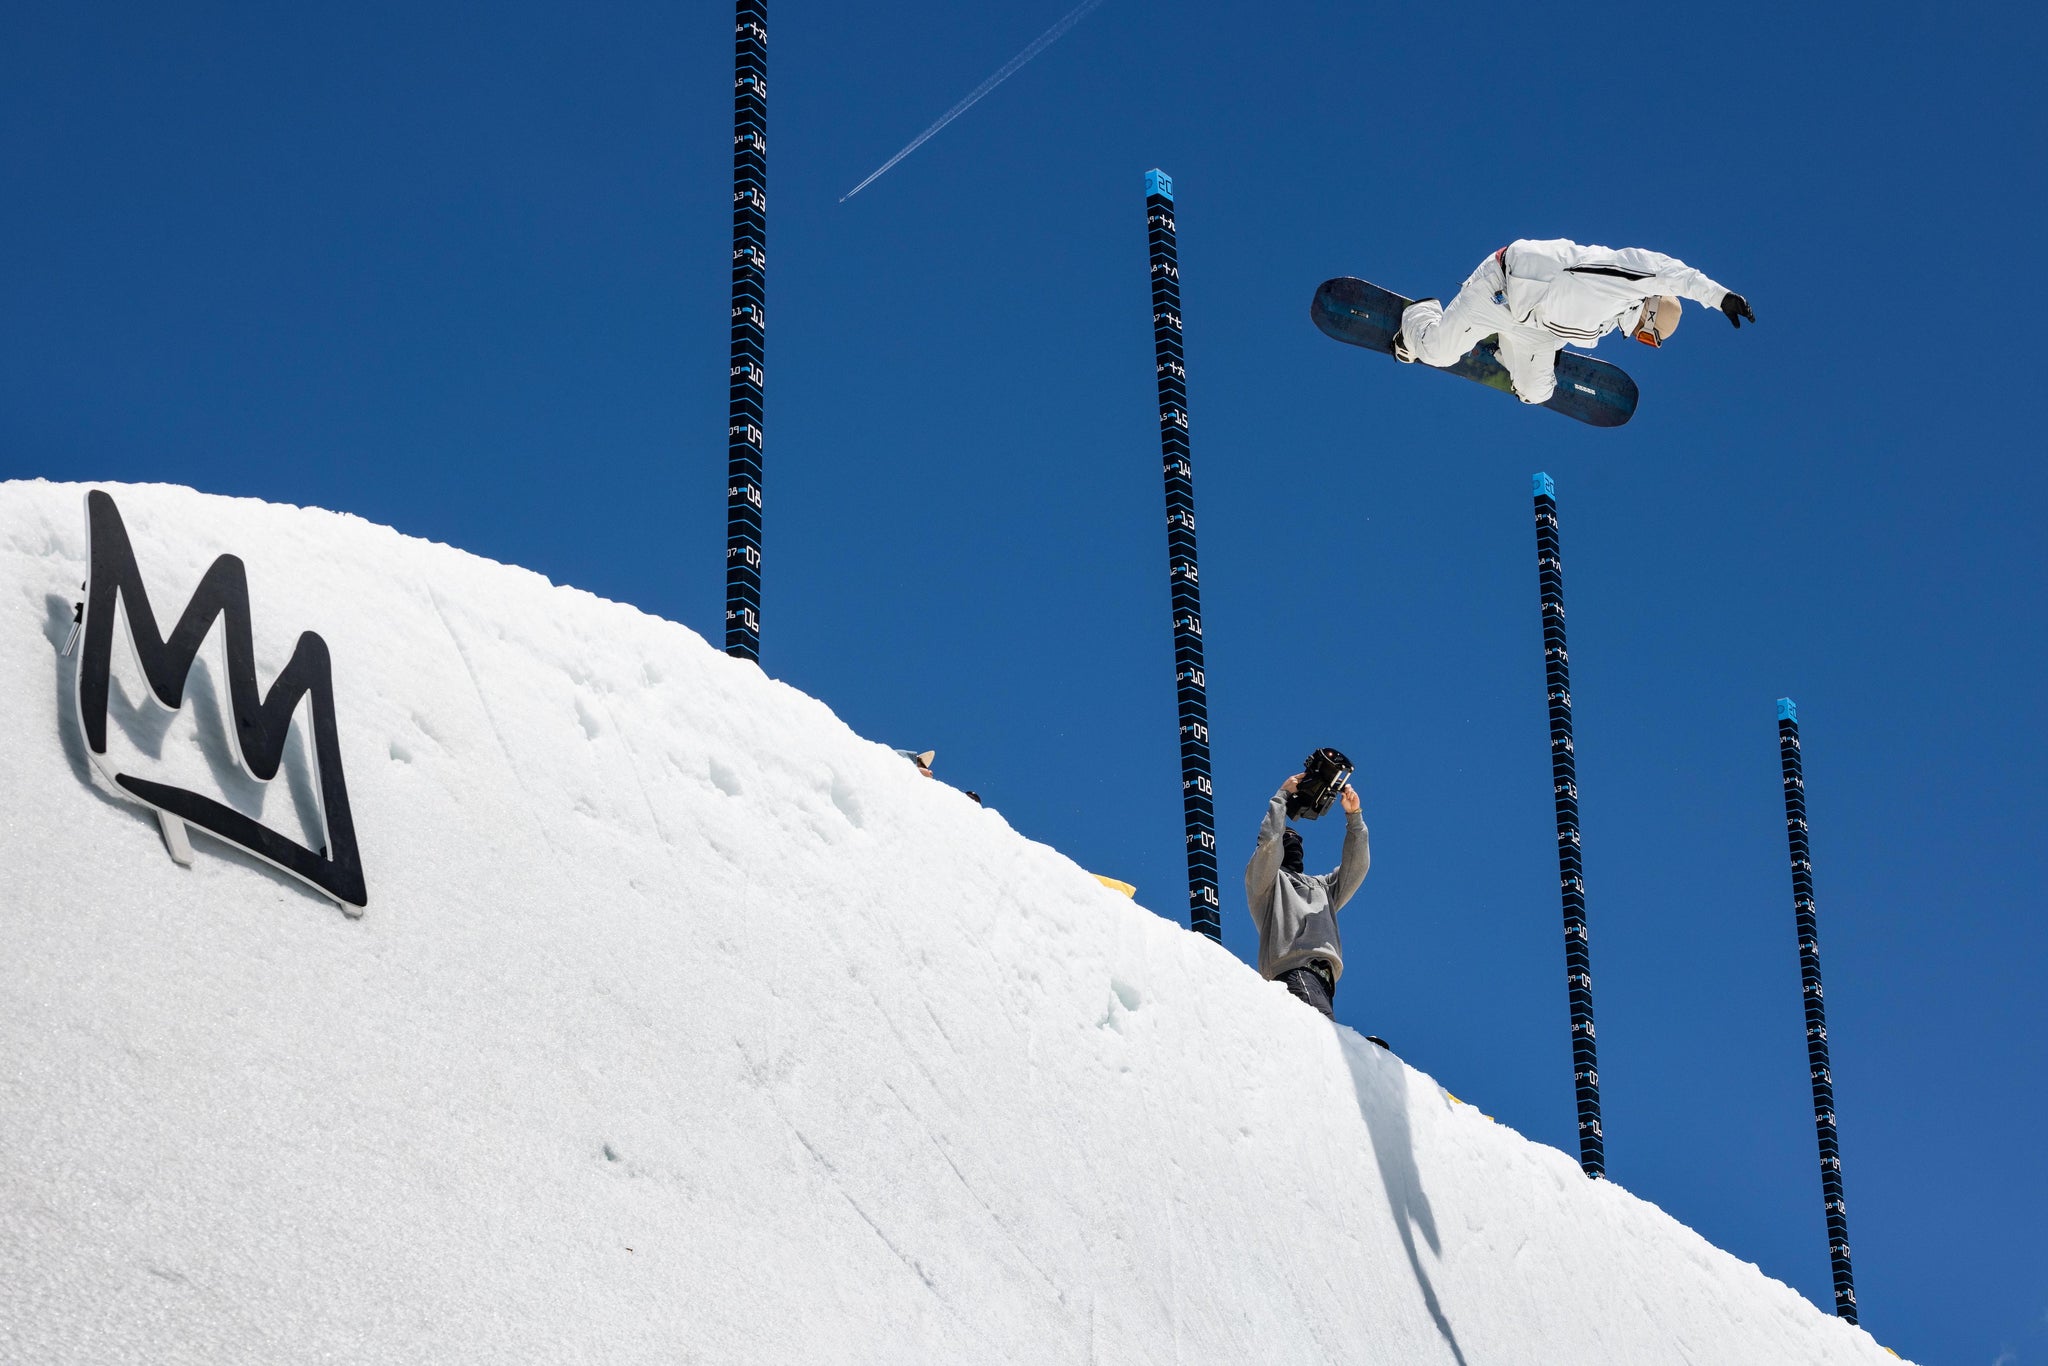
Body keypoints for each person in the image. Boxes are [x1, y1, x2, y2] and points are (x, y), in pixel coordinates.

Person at [1391, 238, 1755, 405]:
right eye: (1648, 336)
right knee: (1436, 352)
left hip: (1534, 330)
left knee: (1536, 394)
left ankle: (1503, 350)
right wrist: (1719, 296)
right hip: (1502, 290)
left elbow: (1563, 320)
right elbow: (1669, 272)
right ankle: (1421, 316)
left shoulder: (1605, 325)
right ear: (1649, 312)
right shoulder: (1622, 281)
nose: (1638, 339)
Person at [1245, 771, 1370, 1020]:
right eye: (1287, 840)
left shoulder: (1322, 887)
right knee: (1324, 1033)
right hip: (1293, 971)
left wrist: (1354, 817)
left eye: (1297, 841)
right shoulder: (1268, 883)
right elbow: (1269, 842)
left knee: (1324, 1039)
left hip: (1324, 982)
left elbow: (1356, 868)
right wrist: (1283, 795)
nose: (1294, 845)